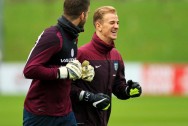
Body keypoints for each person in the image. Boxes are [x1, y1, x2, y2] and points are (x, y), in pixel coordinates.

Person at [70, 6, 142, 126]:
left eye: (117, 23)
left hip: (102, 122)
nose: (116, 26)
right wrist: (89, 97)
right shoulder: (82, 54)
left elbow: (118, 87)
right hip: (79, 122)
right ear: (98, 26)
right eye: (112, 23)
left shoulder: (116, 55)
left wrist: (127, 90)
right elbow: (65, 87)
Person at [23, 0, 90, 126]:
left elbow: (65, 66)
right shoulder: (53, 35)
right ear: (82, 15)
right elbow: (29, 69)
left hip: (65, 112)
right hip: (41, 114)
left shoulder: (72, 35)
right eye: (88, 13)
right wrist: (62, 72)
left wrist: (80, 72)